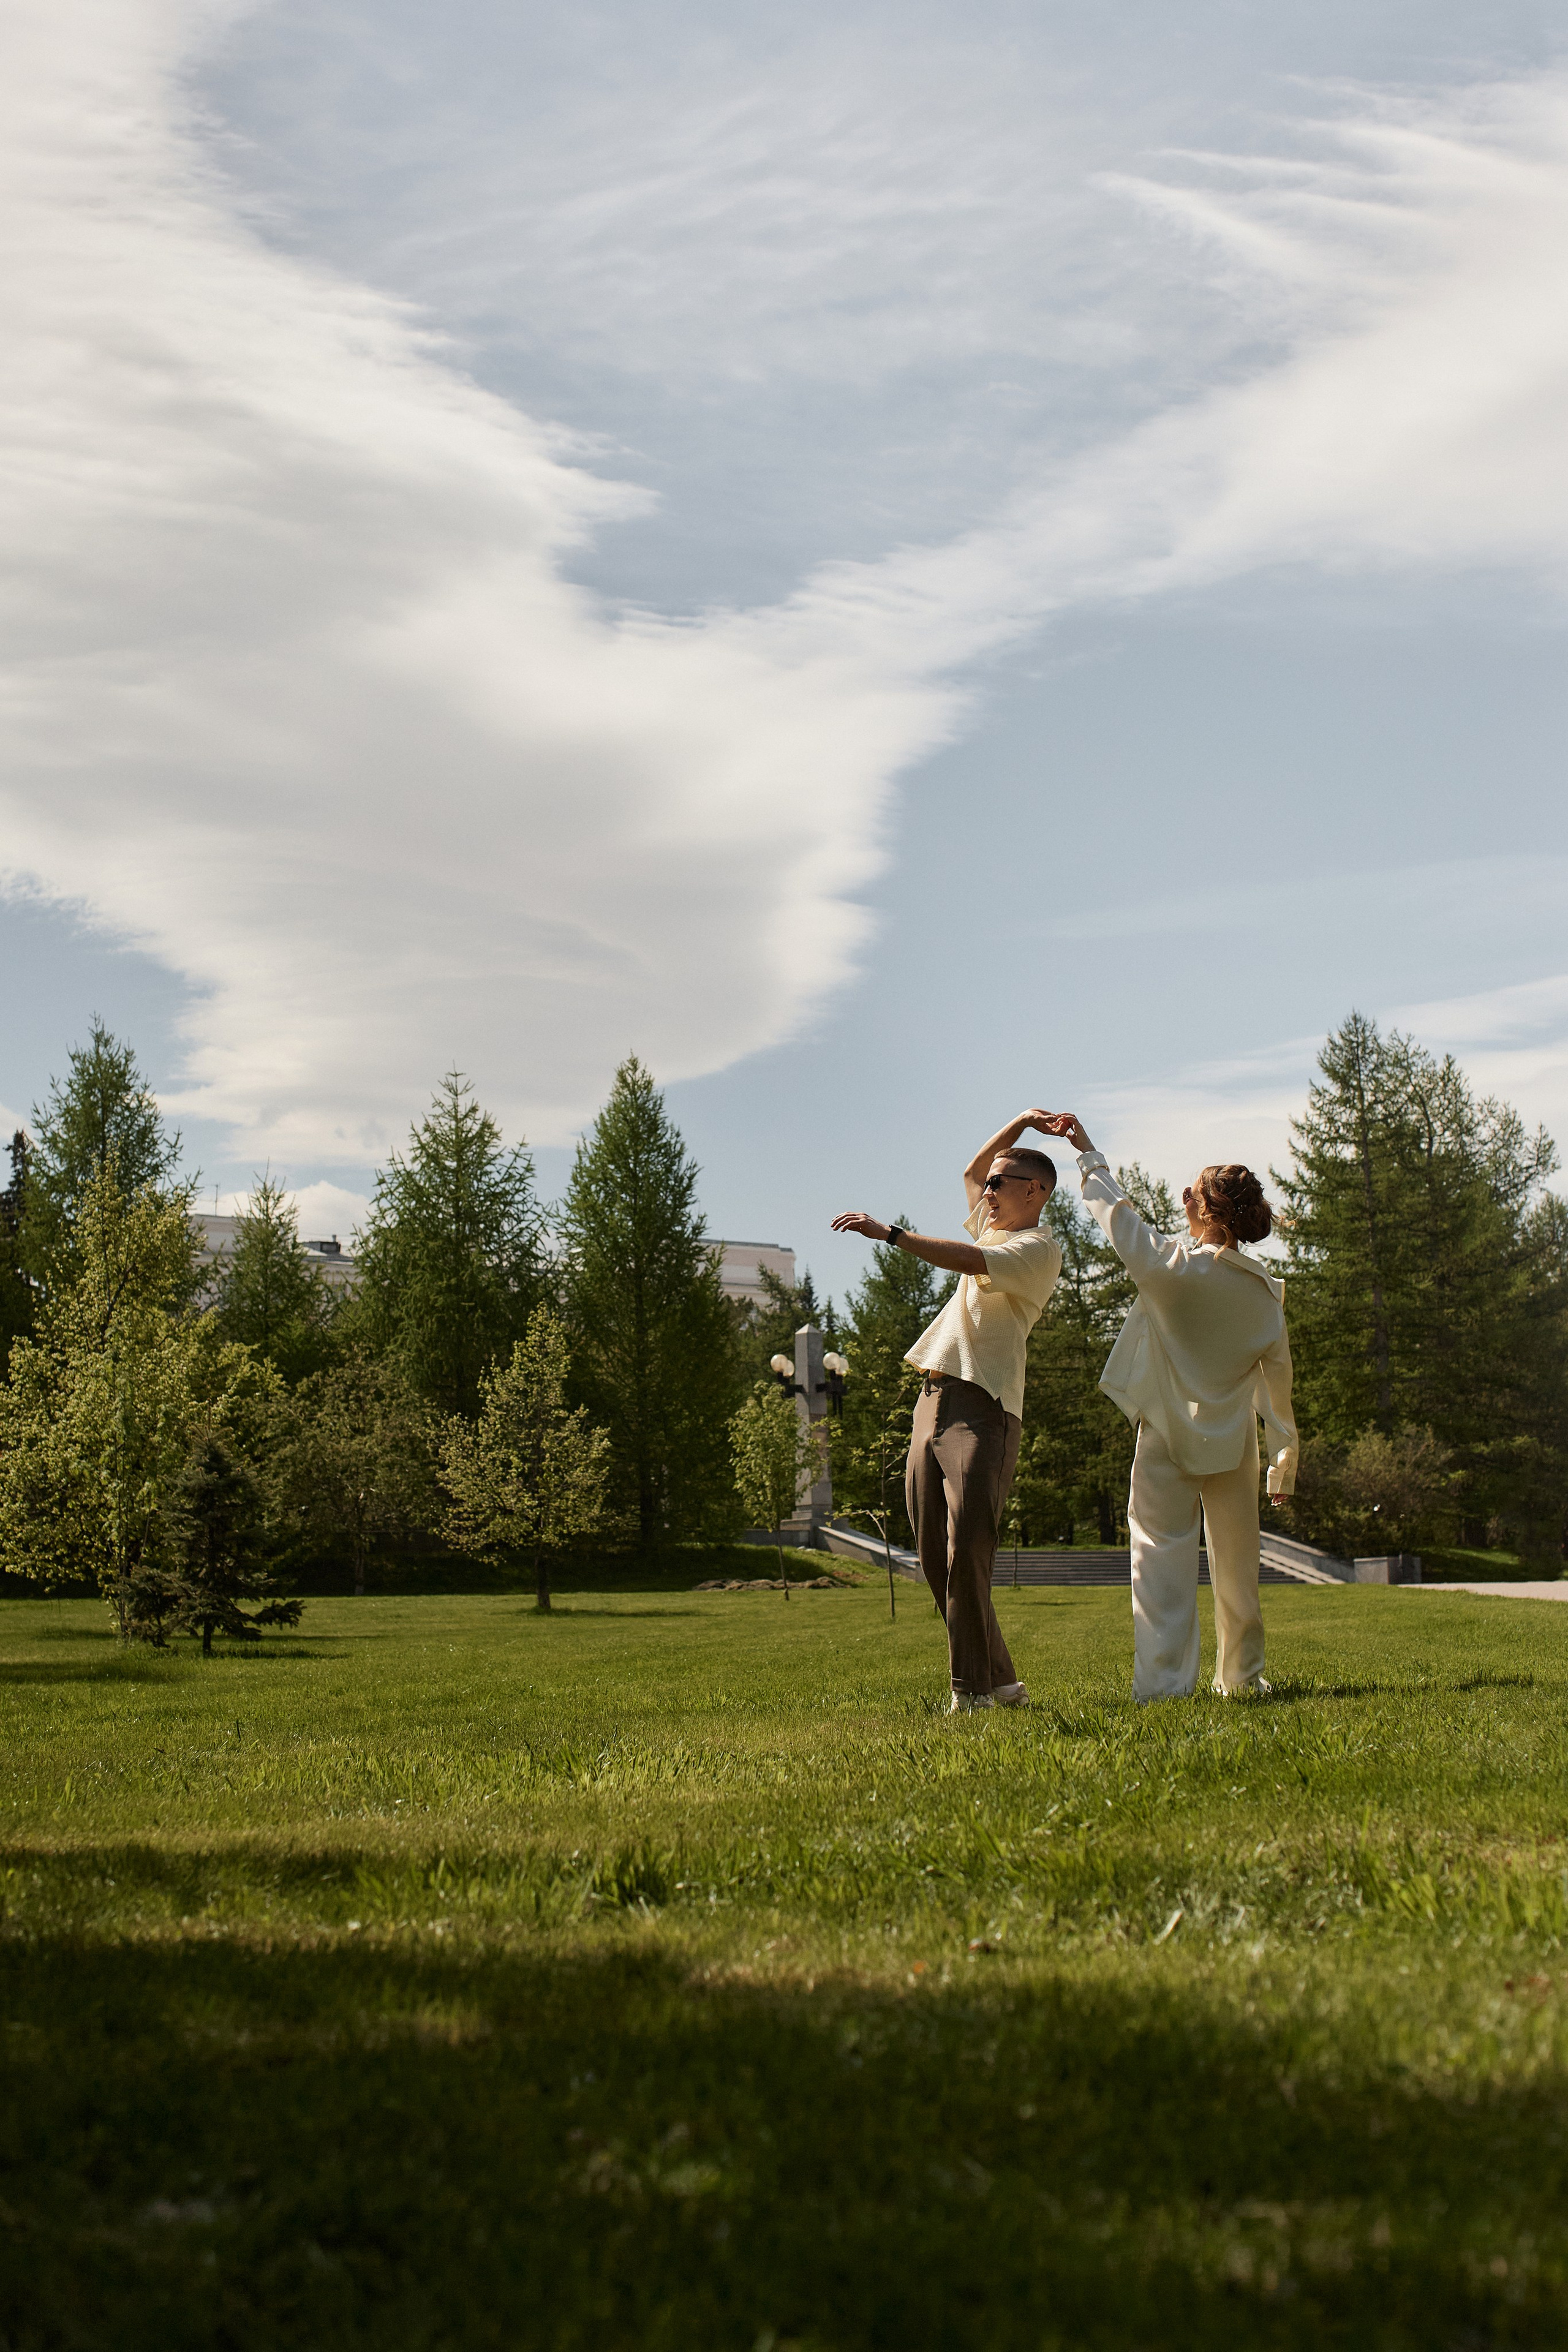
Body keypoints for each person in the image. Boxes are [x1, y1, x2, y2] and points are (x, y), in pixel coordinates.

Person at [1039, 1114, 1297, 1701]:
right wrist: (1283, 1459)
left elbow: (1118, 1220)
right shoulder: (1265, 1295)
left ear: (1209, 1211)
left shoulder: (1172, 1270)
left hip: (1164, 1437)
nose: (1182, 1198)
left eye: (1192, 1192)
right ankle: (1243, 1679)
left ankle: (1163, 1688)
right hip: (1234, 1442)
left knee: (1159, 1563)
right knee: (1238, 1569)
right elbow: (1276, 1387)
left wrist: (1089, 1155)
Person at [832, 1110, 1063, 1713]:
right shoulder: (993, 1227)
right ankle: (1004, 1682)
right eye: (988, 1183)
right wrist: (1021, 1122)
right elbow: (970, 1167)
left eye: (1000, 1182)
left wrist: (892, 1235)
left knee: (968, 1552)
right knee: (934, 1558)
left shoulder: (1036, 1249)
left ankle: (972, 1692)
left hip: (982, 1406)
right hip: (930, 1400)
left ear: (1035, 1191)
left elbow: (966, 1260)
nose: (986, 1189)